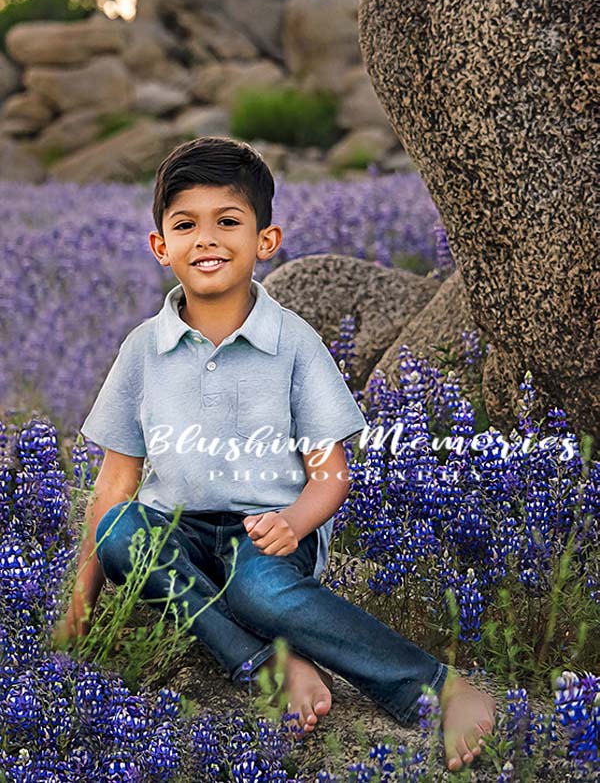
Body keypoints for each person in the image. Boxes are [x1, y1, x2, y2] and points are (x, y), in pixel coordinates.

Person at [53, 136, 495, 771]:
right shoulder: (142, 350)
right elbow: (115, 484)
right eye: (186, 225)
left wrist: (295, 522)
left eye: (228, 222)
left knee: (259, 592)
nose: (206, 239)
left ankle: (439, 688)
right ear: (161, 247)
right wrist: (79, 603)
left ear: (266, 240)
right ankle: (268, 662)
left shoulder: (294, 342)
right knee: (122, 531)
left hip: (267, 534)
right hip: (174, 529)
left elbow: (330, 471)